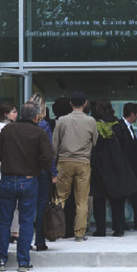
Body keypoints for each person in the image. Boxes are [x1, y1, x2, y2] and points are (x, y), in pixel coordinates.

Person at [0, 101, 53, 272]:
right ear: (36, 116)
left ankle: (0, 260)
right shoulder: (39, 132)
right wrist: (39, 169)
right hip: (29, 179)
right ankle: (23, 261)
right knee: (26, 222)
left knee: (4, 222)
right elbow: (47, 159)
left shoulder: (7, 130)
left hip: (8, 179)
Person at [52, 92, 98, 241]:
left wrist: (55, 161)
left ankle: (54, 229)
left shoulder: (62, 120)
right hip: (83, 162)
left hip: (64, 161)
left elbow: (55, 143)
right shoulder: (91, 121)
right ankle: (79, 233)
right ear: (85, 104)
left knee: (59, 198)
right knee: (81, 200)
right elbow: (95, 141)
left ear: (71, 104)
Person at [90, 100, 137, 237]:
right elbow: (127, 148)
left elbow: (92, 146)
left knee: (99, 198)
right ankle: (119, 228)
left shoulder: (96, 125)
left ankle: (100, 230)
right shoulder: (119, 125)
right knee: (118, 199)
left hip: (100, 166)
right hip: (118, 165)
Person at [29, 93, 58, 251]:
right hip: (41, 170)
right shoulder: (44, 126)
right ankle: (40, 241)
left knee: (27, 206)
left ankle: (26, 241)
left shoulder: (24, 125)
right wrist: (53, 172)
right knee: (41, 205)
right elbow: (48, 152)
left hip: (26, 169)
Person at [114, 102, 137, 231]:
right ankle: (126, 222)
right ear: (132, 114)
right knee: (127, 196)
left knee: (135, 195)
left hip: (132, 169)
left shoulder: (128, 128)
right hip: (127, 169)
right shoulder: (120, 127)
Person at [0, 102, 19, 240]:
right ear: (6, 114)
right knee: (4, 204)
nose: (16, 114)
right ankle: (11, 232)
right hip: (3, 169)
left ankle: (5, 231)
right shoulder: (3, 128)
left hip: (0, 169)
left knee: (1, 204)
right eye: (13, 111)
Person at [51, 96, 77, 237]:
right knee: (72, 198)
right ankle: (69, 229)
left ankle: (55, 227)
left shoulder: (50, 124)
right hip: (72, 163)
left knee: (57, 198)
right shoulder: (74, 124)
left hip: (57, 165)